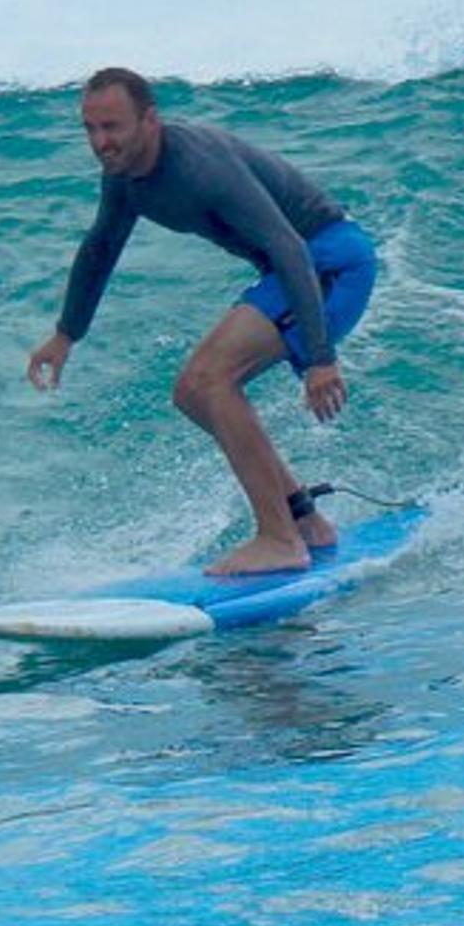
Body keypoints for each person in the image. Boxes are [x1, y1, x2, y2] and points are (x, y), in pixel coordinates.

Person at [27, 67, 378, 575]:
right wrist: (66, 335)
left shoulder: (199, 167)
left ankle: (279, 539)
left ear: (150, 120)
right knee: (192, 393)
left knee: (209, 379)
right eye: (91, 129)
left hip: (329, 263)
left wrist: (321, 359)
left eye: (112, 127)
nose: (101, 142)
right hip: (300, 267)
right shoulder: (125, 179)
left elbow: (289, 247)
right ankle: (304, 522)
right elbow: (101, 246)